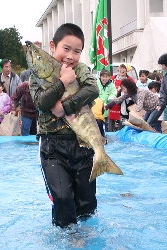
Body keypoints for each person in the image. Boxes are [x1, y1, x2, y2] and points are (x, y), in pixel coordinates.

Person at [29, 23, 99, 228]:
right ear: (53, 46)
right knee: (62, 197)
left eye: (77, 51)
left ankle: (88, 235)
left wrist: (65, 107)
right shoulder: (37, 76)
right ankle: (68, 239)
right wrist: (63, 81)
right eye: (66, 49)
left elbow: (92, 89)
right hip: (52, 146)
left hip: (83, 145)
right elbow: (42, 103)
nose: (70, 56)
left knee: (87, 201)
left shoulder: (81, 69)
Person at [109, 64, 135, 131]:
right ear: (118, 69)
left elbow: (133, 89)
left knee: (123, 118)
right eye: (121, 68)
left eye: (124, 68)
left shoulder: (130, 79)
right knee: (111, 118)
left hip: (124, 102)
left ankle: (121, 132)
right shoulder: (113, 78)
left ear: (127, 70)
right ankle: (110, 131)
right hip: (114, 101)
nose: (122, 70)